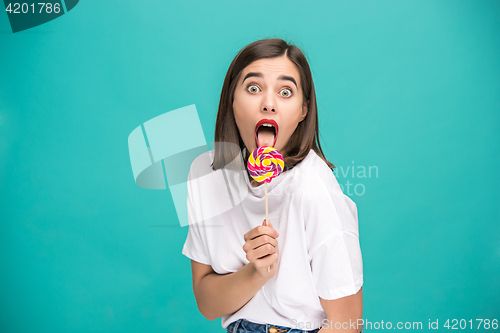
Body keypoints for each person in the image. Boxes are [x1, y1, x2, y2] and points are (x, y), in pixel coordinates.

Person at [182, 38, 364, 333]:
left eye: (285, 92)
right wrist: (256, 272)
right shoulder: (204, 173)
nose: (268, 103)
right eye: (253, 88)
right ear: (231, 98)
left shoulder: (314, 190)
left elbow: (348, 324)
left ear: (303, 110)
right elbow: (207, 304)